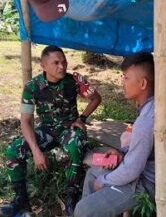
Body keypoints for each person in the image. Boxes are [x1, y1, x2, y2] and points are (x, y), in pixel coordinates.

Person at [74, 52, 166, 217]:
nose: (121, 82)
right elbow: (146, 151)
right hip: (150, 174)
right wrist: (123, 153)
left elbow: (132, 170)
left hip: (150, 184)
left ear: (142, 83)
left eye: (126, 78)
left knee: (82, 210)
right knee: (92, 174)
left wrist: (104, 181)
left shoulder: (148, 119)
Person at [1, 46, 102, 217]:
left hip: (69, 129)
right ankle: (21, 200)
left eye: (64, 62)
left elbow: (96, 98)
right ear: (43, 65)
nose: (61, 66)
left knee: (75, 143)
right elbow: (25, 120)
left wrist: (82, 119)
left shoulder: (75, 80)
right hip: (46, 131)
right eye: (56, 63)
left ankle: (72, 197)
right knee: (13, 150)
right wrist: (36, 150)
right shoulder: (32, 87)